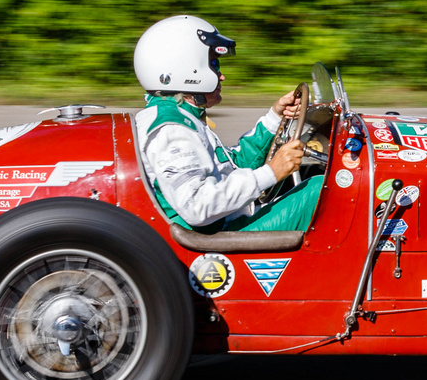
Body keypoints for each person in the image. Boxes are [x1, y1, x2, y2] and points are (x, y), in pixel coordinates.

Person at [133, 15, 323, 234]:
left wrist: (275, 117)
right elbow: (197, 207)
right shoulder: (171, 129)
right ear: (185, 68)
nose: (221, 76)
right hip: (216, 237)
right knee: (322, 188)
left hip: (225, 222)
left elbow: (232, 165)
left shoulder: (181, 115)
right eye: (213, 65)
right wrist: (271, 172)